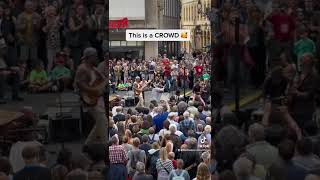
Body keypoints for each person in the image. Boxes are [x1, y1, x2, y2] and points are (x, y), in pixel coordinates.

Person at [74, 47, 107, 145]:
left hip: (97, 98)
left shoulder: (94, 69)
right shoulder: (82, 68)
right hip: (89, 99)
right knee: (103, 122)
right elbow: (79, 84)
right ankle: (105, 146)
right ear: (90, 57)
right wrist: (94, 90)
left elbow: (99, 82)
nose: (97, 58)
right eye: (95, 56)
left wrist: (101, 87)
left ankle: (87, 145)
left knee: (100, 123)